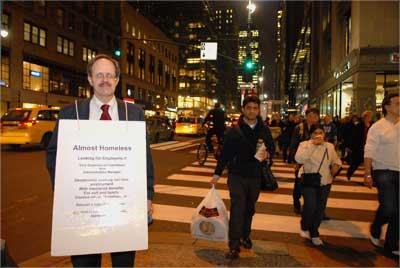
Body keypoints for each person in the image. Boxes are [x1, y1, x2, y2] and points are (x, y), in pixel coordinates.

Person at [46, 54, 155, 268]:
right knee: (86, 262)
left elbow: (144, 157)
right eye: (99, 75)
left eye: (109, 75)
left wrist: (148, 195)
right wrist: (66, 192)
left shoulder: (134, 113)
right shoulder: (71, 113)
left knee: (123, 262)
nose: (104, 80)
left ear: (116, 79)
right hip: (85, 206)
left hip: (123, 205)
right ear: (90, 79)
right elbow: (53, 154)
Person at [210, 95, 275, 260]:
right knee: (238, 209)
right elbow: (225, 153)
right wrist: (217, 173)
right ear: (243, 109)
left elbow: (272, 149)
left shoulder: (264, 129)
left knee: (250, 209)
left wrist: (268, 153)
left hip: (255, 176)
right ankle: (233, 246)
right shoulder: (234, 130)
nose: (252, 111)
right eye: (249, 108)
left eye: (255, 108)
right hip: (237, 176)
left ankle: (245, 236)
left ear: (258, 110)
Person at [364, 93, 399, 258]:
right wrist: (367, 174)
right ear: (387, 107)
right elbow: (369, 150)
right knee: (389, 206)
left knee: (398, 211)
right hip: (383, 170)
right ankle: (376, 226)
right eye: (397, 103)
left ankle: (391, 245)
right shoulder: (377, 127)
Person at [295, 126, 342, 246]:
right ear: (311, 135)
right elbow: (299, 159)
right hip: (309, 179)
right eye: (315, 133)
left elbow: (336, 160)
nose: (318, 135)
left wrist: (335, 167)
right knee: (310, 205)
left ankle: (314, 232)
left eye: (320, 132)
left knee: (320, 208)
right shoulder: (304, 145)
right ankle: (305, 224)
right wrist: (313, 145)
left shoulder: (329, 146)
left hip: (325, 181)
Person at [289, 108, 320, 215]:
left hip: (315, 162)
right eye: (310, 116)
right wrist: (294, 161)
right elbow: (293, 144)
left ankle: (312, 207)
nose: (312, 119)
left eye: (315, 116)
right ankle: (296, 202)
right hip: (301, 160)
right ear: (306, 117)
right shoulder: (299, 128)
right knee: (298, 184)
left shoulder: (319, 129)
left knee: (313, 185)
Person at [346, 111, 373, 180]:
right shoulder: (358, 125)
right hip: (359, 147)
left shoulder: (372, 125)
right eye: (368, 116)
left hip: (369, 147)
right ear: (365, 117)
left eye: (370, 117)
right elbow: (353, 137)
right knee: (356, 162)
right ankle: (349, 173)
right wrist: (350, 146)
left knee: (371, 164)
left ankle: (371, 179)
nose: (370, 118)